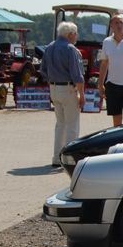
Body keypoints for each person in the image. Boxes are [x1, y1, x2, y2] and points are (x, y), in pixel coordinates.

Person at [41, 21, 85, 167]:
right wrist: (82, 95)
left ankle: (56, 157)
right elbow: (77, 76)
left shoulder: (49, 47)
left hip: (54, 88)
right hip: (68, 89)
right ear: (70, 34)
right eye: (76, 33)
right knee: (72, 125)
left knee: (60, 125)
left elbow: (43, 70)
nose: (76, 36)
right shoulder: (70, 49)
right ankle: (70, 159)